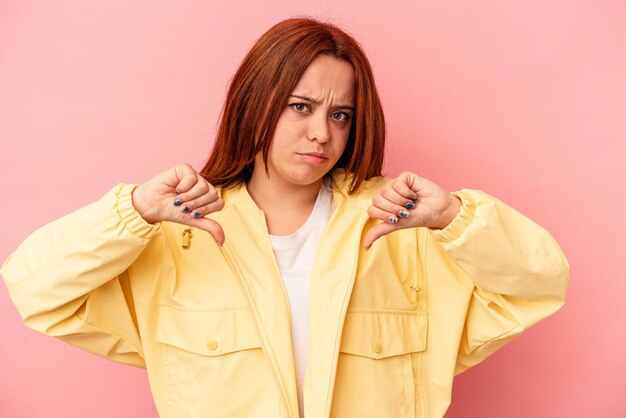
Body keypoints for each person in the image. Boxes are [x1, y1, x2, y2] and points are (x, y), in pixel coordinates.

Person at [0, 16, 570, 418]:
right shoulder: (180, 239)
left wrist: (454, 219)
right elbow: (35, 288)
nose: (322, 133)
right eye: (301, 106)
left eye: (341, 114)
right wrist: (133, 214)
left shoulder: (400, 234)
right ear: (257, 103)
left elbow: (539, 284)